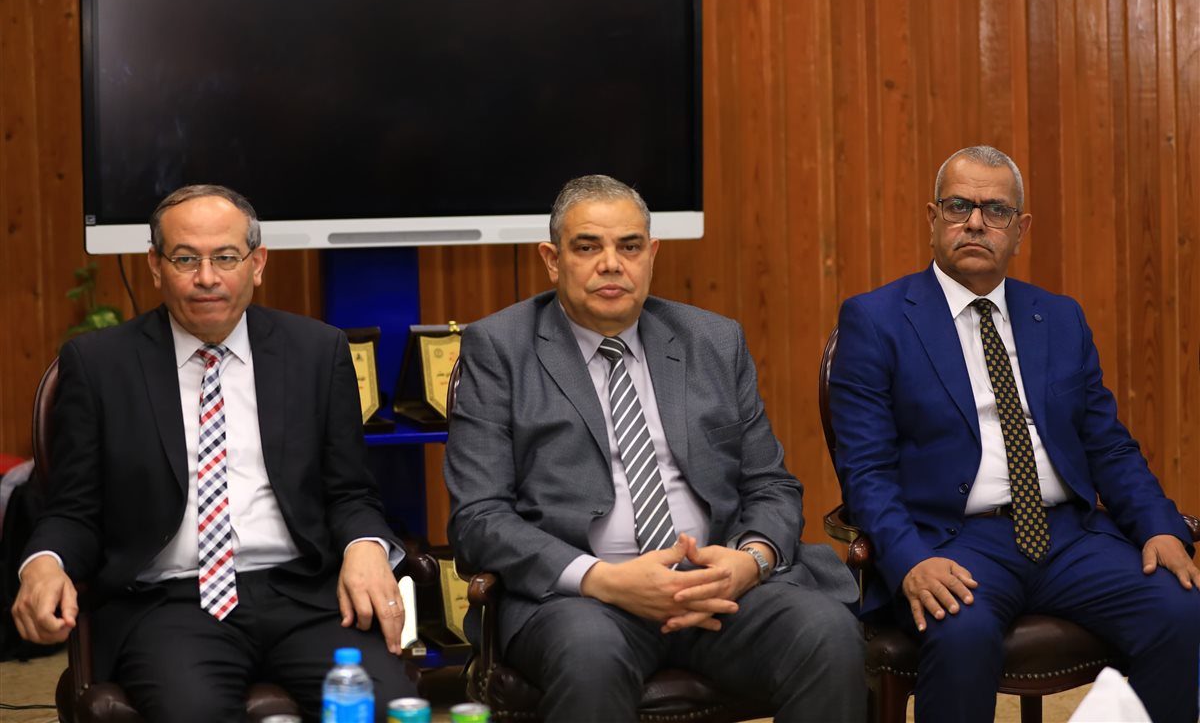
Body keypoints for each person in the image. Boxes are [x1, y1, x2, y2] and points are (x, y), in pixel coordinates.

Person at [444, 175, 866, 722]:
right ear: (552, 260)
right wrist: (603, 579)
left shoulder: (712, 340)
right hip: (582, 599)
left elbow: (770, 484)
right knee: (591, 657)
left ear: (652, 255)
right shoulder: (500, 349)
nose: (611, 264)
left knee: (828, 634)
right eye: (588, 247)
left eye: (630, 247)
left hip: (717, 587)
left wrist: (751, 560)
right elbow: (478, 519)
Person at [11, 185, 416, 722]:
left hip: (302, 595)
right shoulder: (100, 365)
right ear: (155, 266)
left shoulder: (317, 352)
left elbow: (350, 492)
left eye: (226, 257)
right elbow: (72, 509)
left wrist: (366, 546)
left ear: (257, 263)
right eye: (185, 259)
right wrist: (44, 564)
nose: (207, 277)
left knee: (387, 709)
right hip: (168, 604)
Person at [828, 146, 1200, 722]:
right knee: (961, 632)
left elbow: (1107, 444)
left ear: (1020, 229)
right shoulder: (875, 320)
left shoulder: (1060, 317)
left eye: (995, 210)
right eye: (959, 206)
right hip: (952, 541)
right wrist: (910, 560)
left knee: (1181, 609)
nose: (975, 222)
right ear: (932, 218)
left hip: (1070, 536)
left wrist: (1158, 526)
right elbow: (867, 471)